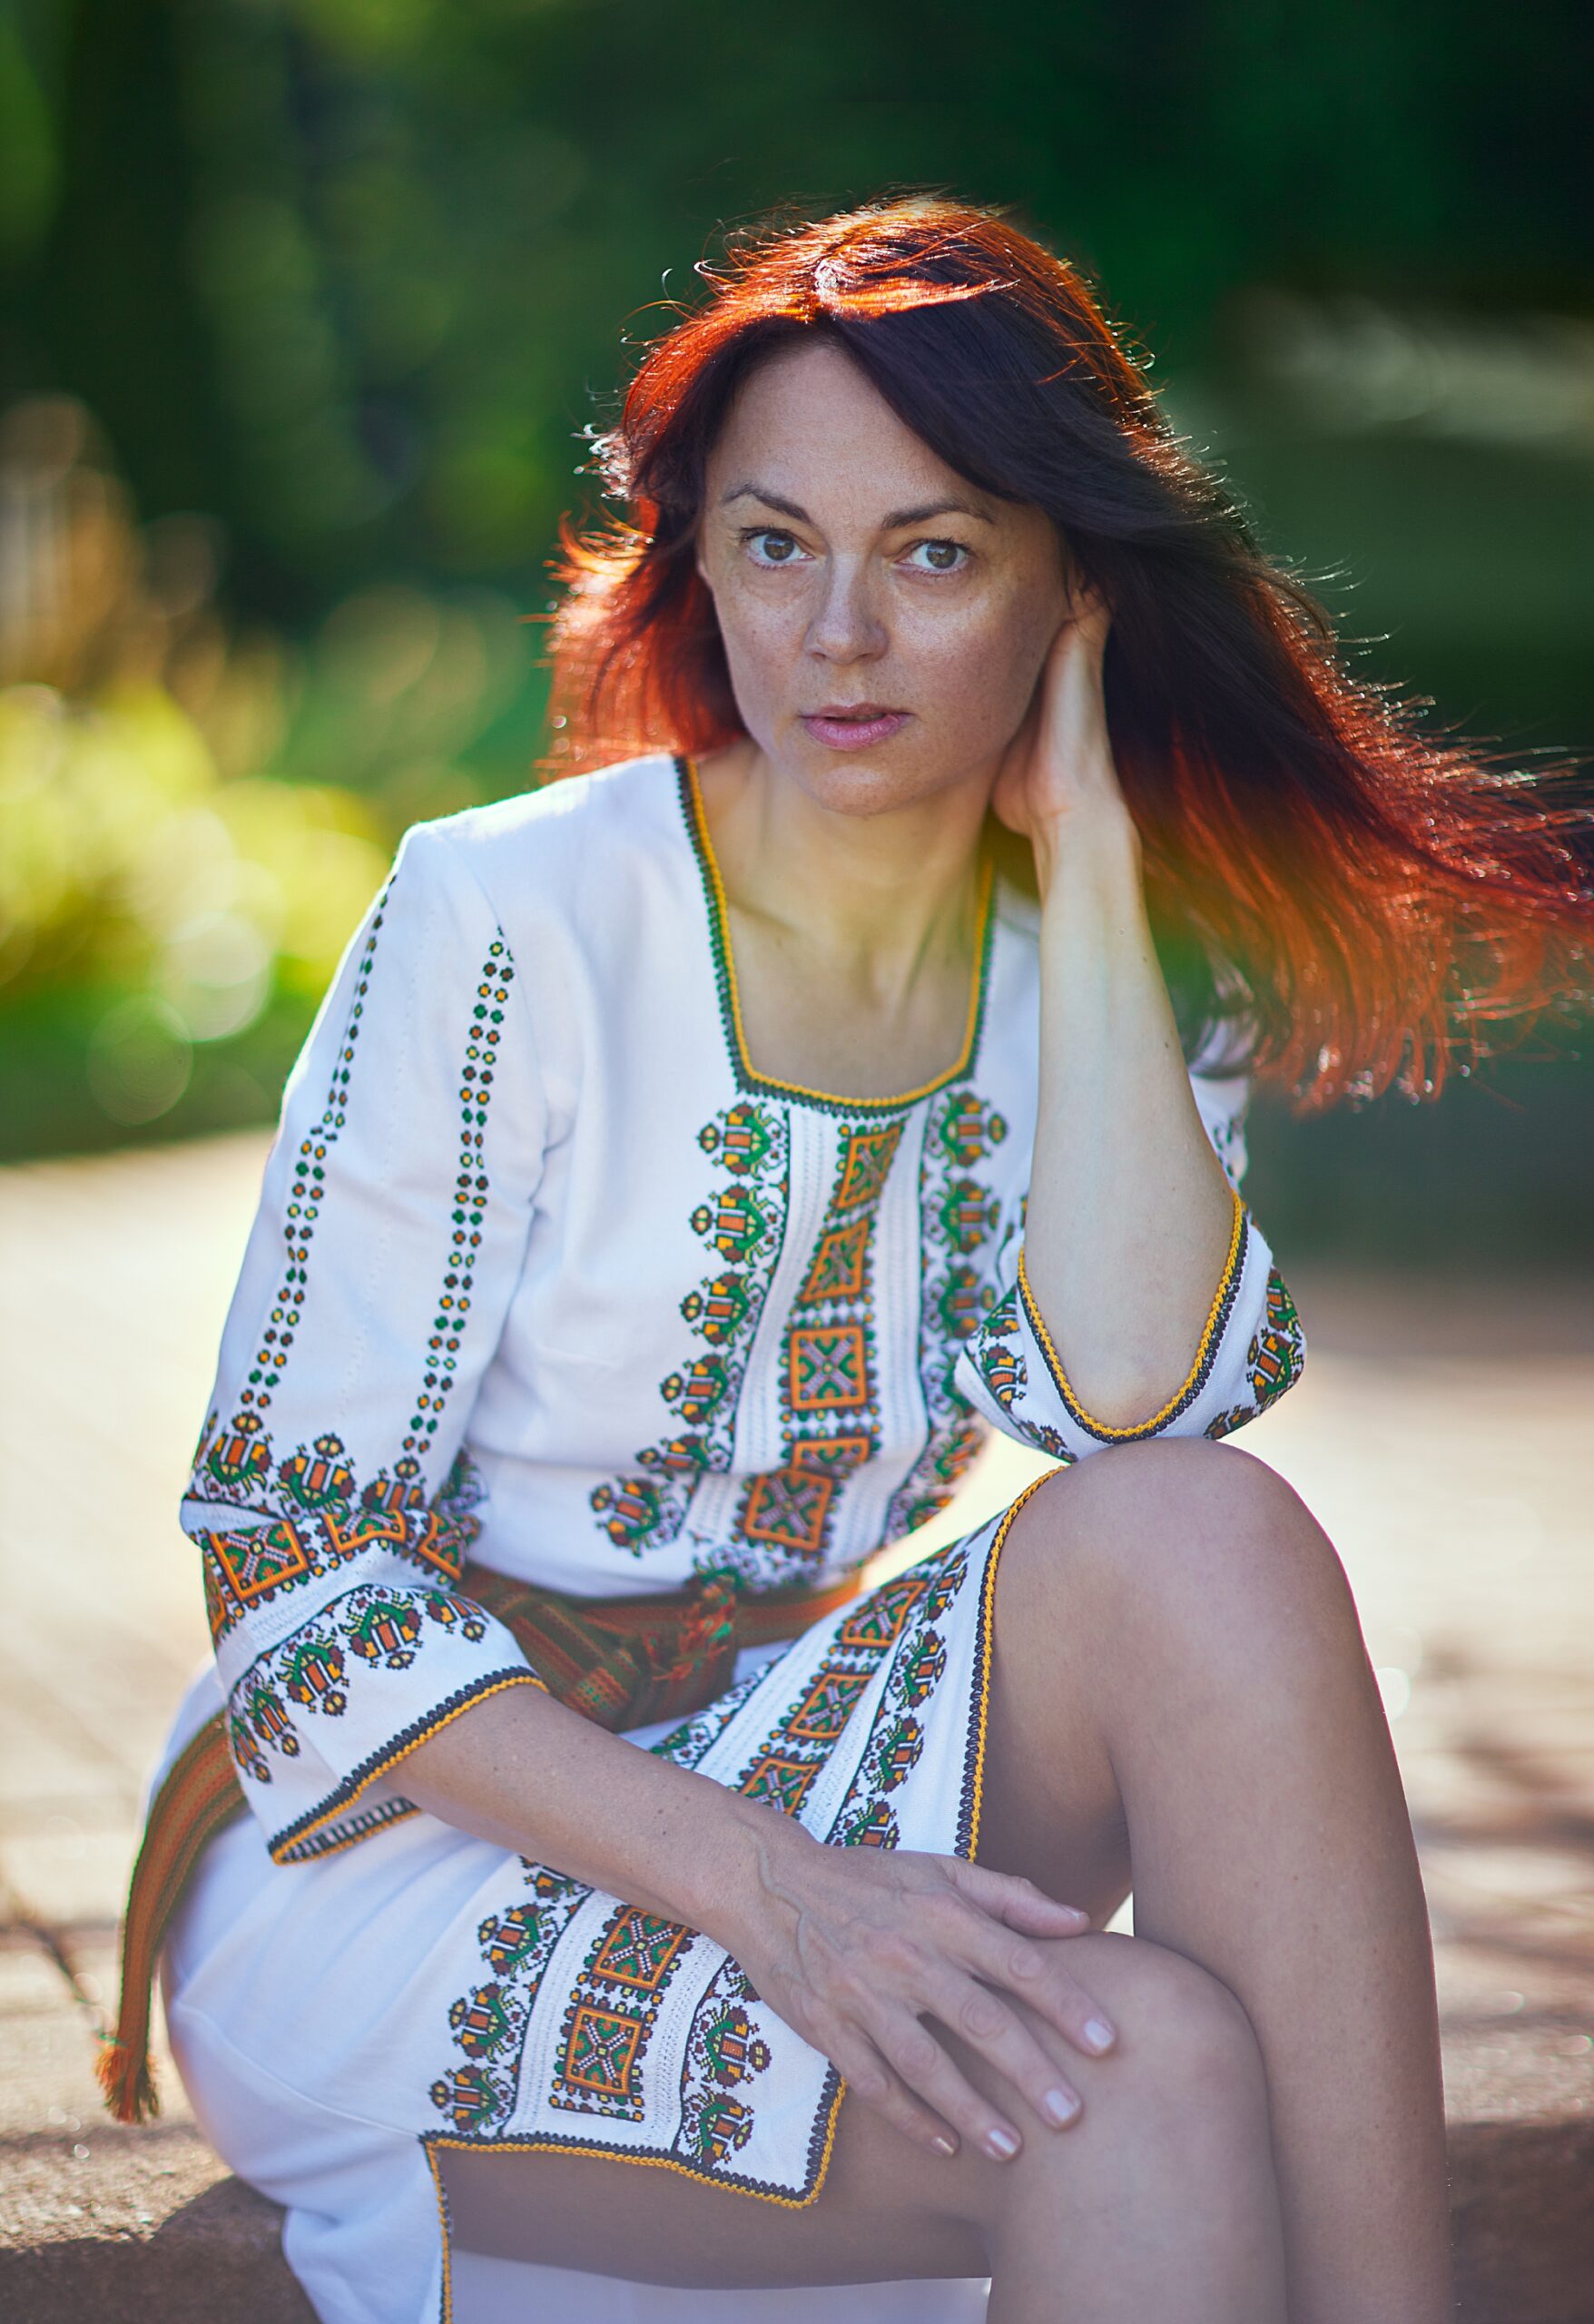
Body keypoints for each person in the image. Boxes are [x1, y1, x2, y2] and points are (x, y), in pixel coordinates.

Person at [117, 196, 1590, 2324]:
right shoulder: (507, 915)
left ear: (1067, 582)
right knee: (1137, 2064)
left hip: (821, 1744)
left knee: (1207, 1531)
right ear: (696, 559)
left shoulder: (1111, 973)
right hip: (408, 1830)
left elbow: (1133, 1407)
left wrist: (1090, 868)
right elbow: (285, 1551)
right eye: (774, 541)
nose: (835, 637)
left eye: (932, 551)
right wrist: (778, 1893)